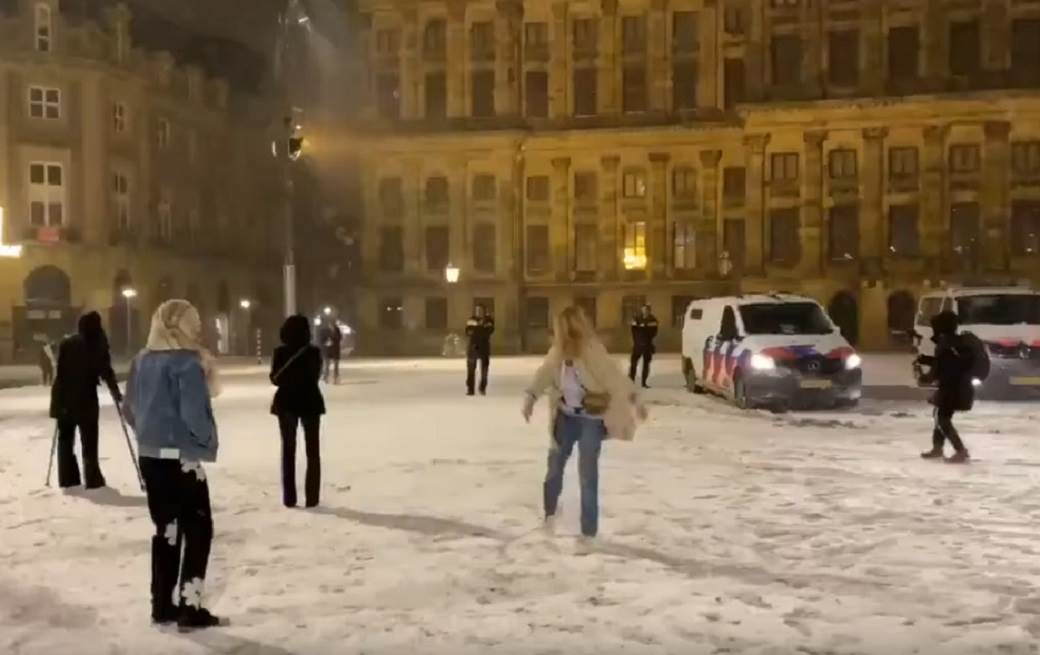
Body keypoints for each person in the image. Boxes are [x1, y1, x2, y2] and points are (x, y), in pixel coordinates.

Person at [124, 299, 225, 630]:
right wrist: (205, 440)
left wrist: (149, 434)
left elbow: (130, 409)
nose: (196, 331)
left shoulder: (141, 360)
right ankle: (189, 606)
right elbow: (194, 414)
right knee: (199, 529)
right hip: (181, 460)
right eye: (193, 325)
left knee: (166, 529)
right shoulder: (185, 363)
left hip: (150, 458)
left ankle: (161, 604)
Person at [522, 306, 649, 539]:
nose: (563, 334)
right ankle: (549, 513)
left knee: (588, 474)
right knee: (554, 468)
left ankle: (588, 531)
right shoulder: (557, 353)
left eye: (567, 328)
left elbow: (616, 378)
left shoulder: (593, 351)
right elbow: (543, 375)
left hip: (591, 419)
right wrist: (530, 397)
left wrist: (636, 400)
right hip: (565, 417)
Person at [49, 311, 122, 489]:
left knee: (65, 440)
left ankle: (67, 478)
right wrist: (115, 391)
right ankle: (92, 478)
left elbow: (60, 372)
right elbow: (105, 369)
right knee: (89, 441)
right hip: (85, 399)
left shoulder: (67, 342)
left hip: (64, 398)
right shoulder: (97, 343)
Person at [270, 315, 325, 508]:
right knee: (313, 452)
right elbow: (315, 376)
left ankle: (289, 498)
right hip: (310, 402)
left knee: (288, 450)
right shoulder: (313, 352)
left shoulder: (280, 352)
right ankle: (312, 497)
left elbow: (275, 379)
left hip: (286, 403)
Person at [917, 310, 973, 464]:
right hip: (959, 386)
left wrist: (924, 376)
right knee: (939, 415)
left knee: (942, 419)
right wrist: (927, 360)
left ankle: (960, 450)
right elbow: (947, 363)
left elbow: (938, 369)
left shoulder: (945, 344)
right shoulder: (957, 342)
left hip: (951, 388)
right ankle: (937, 448)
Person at [465, 305, 495, 396]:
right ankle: (470, 389)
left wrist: (476, 330)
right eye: (477, 310)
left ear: (484, 311)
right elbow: (468, 331)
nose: (479, 312)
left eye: (480, 310)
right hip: (473, 347)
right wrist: (481, 329)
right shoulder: (471, 320)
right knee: (470, 370)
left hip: (484, 348)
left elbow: (489, 331)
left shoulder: (488, 320)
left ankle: (482, 388)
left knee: (484, 371)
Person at [629, 304, 658, 388]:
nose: (645, 311)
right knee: (633, 363)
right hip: (638, 344)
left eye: (647, 310)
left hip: (647, 345)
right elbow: (633, 329)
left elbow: (654, 332)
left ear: (649, 311)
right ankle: (631, 381)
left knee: (646, 364)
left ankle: (644, 383)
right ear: (642, 310)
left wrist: (642, 327)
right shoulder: (637, 318)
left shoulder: (652, 319)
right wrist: (642, 330)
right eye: (644, 310)